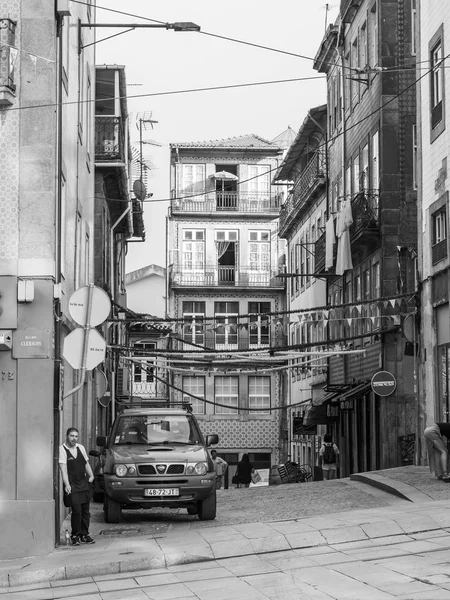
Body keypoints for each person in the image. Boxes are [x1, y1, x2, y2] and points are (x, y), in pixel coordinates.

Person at [59, 427, 95, 546]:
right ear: (67, 436)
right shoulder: (62, 449)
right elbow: (63, 469)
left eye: (76, 436)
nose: (74, 438)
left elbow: (86, 463)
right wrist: (67, 484)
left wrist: (91, 476)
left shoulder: (81, 448)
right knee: (77, 511)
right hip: (73, 485)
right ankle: (75, 535)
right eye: (72, 436)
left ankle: (84, 534)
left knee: (85, 511)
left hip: (84, 483)